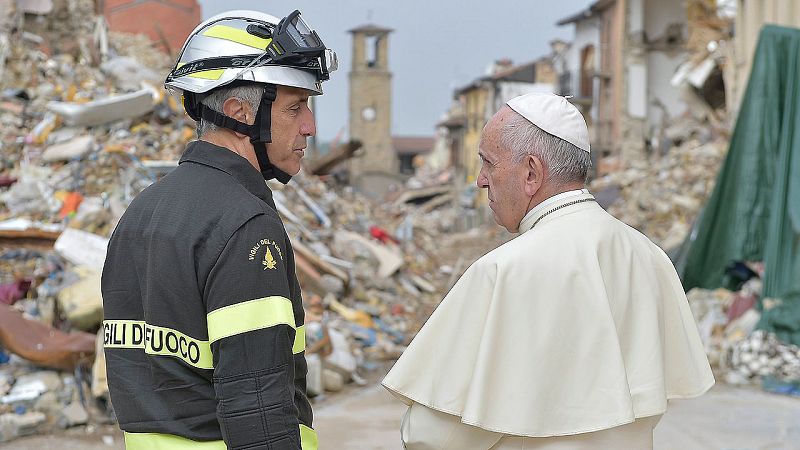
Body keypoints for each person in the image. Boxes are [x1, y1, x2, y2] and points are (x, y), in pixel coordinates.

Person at [382, 93, 714, 449]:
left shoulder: (503, 271)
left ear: (531, 173)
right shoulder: (649, 257)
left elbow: (433, 437)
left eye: (488, 164)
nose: (480, 180)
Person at [101, 9, 337, 450]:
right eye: (295, 107)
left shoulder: (141, 213)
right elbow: (259, 409)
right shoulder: (245, 225)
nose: (310, 126)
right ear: (238, 113)